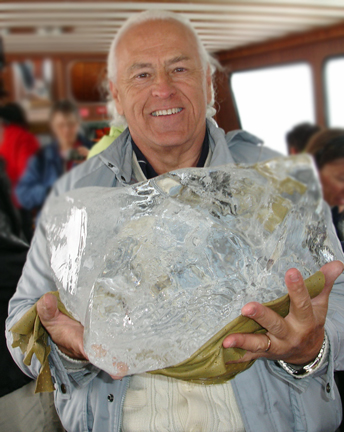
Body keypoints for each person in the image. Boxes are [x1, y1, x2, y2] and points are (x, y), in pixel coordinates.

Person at [6, 11, 344, 432]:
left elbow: (338, 297)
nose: (162, 89)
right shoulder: (77, 198)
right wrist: (68, 349)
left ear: (207, 81)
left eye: (179, 69)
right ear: (116, 93)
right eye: (142, 74)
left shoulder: (276, 182)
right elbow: (22, 317)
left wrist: (309, 350)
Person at [15, 100, 93, 214]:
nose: (66, 130)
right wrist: (49, 192)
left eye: (70, 124)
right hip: (50, 225)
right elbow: (22, 194)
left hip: (85, 221)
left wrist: (92, 158)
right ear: (53, 126)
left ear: (78, 123)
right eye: (61, 125)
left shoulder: (94, 151)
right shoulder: (42, 157)